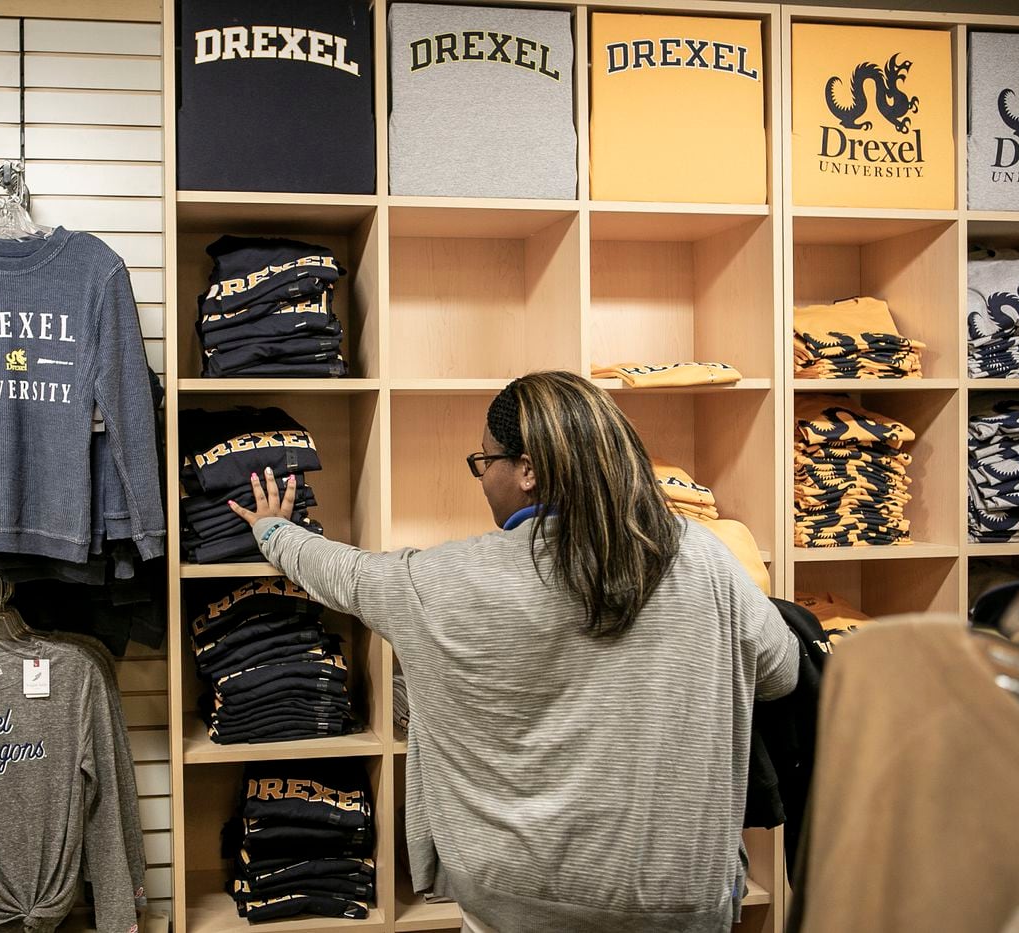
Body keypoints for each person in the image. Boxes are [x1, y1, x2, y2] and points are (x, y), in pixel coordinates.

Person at [229, 371, 799, 933]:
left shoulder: (439, 581)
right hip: (683, 903)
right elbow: (783, 671)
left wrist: (276, 532)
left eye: (484, 461)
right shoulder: (701, 555)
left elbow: (345, 575)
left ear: (527, 470)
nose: (482, 479)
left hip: (511, 903)